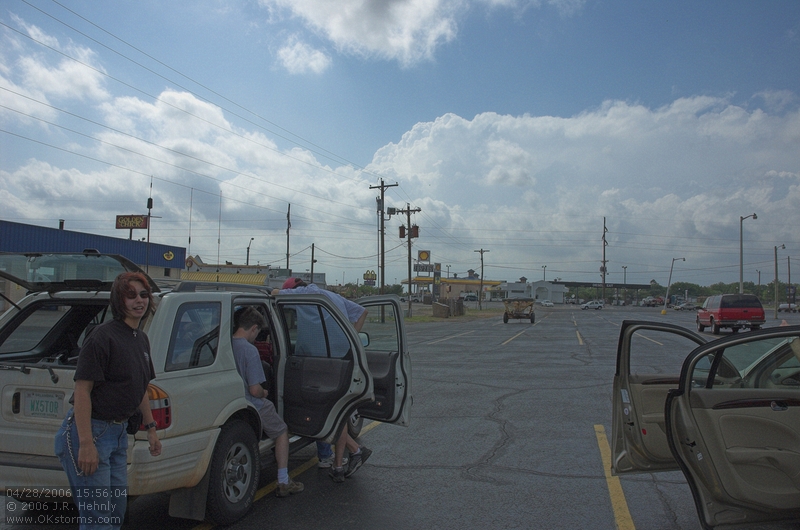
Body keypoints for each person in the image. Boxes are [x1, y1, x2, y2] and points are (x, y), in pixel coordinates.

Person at [55, 272, 162, 530]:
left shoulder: (141, 339)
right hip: (92, 433)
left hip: (117, 435)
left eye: (144, 295)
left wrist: (151, 429)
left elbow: (140, 389)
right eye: (131, 295)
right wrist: (86, 444)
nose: (139, 301)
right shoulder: (103, 336)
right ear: (119, 301)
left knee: (115, 514)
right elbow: (82, 391)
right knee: (98, 521)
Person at [274, 278, 372, 483]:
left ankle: (351, 452)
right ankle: (338, 464)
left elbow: (275, 294)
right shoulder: (334, 297)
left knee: (328, 412)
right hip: (340, 361)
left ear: (294, 289)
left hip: (316, 364)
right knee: (337, 412)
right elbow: (363, 311)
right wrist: (351, 338)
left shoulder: (303, 295)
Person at [231, 306, 304, 497]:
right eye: (257, 333)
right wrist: (265, 392)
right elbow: (255, 390)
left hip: (232, 403)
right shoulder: (249, 350)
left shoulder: (226, 345)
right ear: (254, 328)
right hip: (251, 404)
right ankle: (283, 480)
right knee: (281, 431)